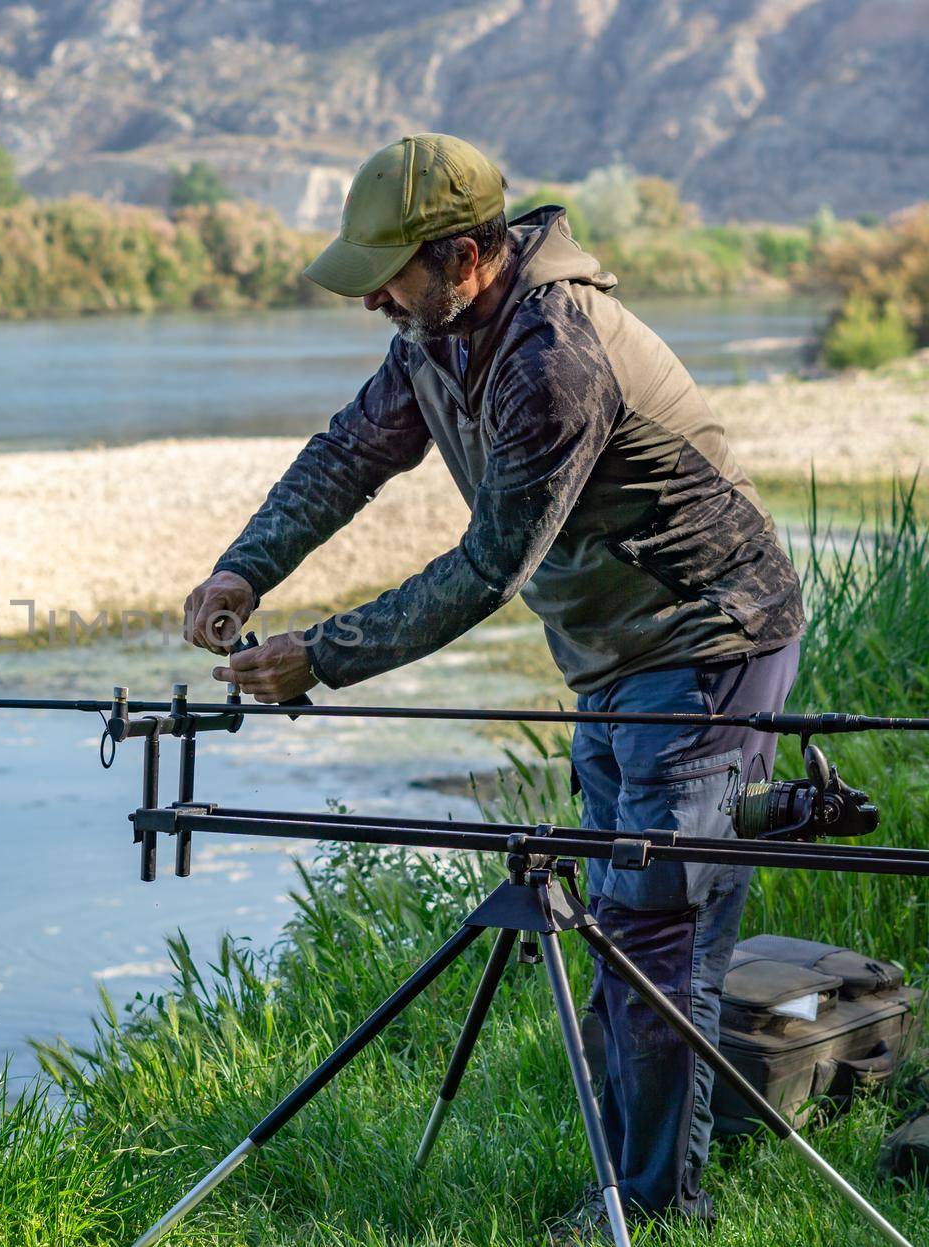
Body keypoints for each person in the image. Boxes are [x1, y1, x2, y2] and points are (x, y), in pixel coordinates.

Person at [181, 134, 804, 1243]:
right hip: (611, 655)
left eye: (391, 269)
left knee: (656, 937)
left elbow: (487, 568)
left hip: (711, 645)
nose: (372, 291)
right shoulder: (439, 328)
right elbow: (350, 451)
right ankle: (641, 1182)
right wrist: (246, 564)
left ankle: (656, 1210)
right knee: (622, 925)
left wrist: (317, 656)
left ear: (466, 254)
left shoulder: (555, 357)